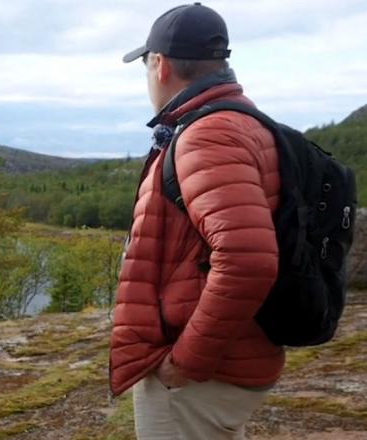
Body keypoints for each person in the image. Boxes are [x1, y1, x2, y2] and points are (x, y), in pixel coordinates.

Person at [109, 3, 283, 439]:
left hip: (199, 378)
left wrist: (186, 362)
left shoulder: (208, 135)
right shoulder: (240, 122)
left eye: (146, 67)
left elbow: (248, 261)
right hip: (228, 363)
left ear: (160, 65)